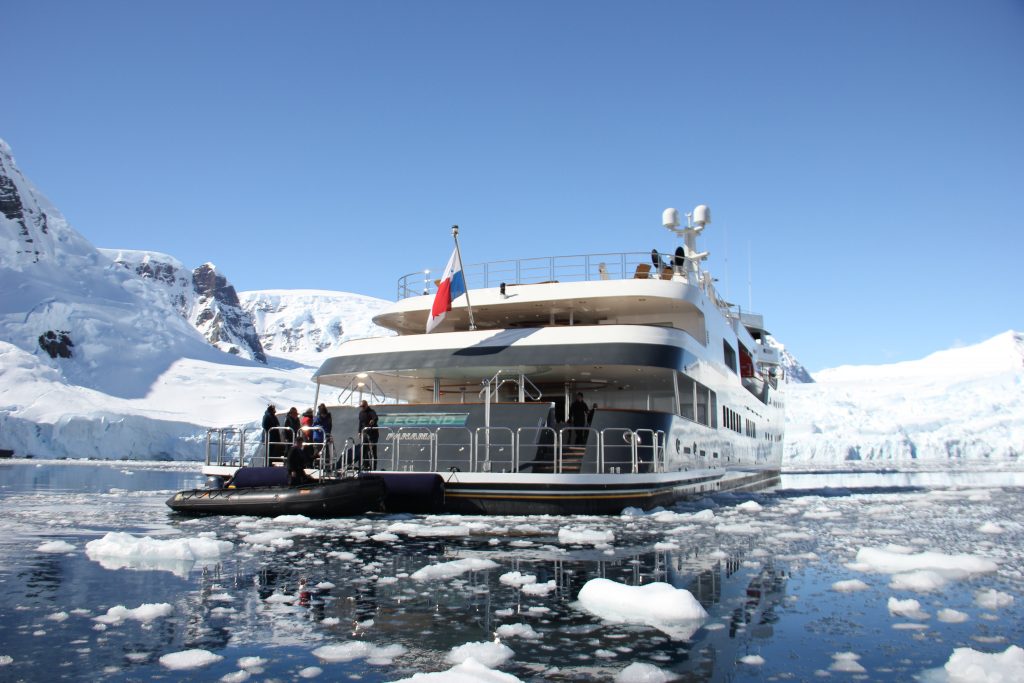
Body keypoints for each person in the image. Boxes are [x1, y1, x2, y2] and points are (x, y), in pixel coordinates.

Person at [358, 400, 379, 469]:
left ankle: (373, 467)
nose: (362, 408)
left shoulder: (371, 411)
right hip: (365, 433)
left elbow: (375, 418)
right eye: (361, 407)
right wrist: (359, 432)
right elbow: (360, 423)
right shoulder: (361, 413)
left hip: (372, 434)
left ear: (366, 405)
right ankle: (365, 465)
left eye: (364, 406)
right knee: (364, 450)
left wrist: (373, 421)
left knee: (372, 450)